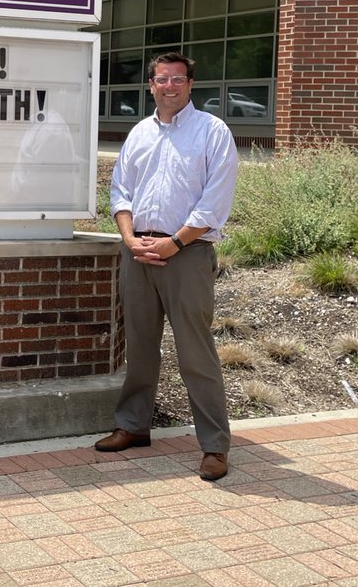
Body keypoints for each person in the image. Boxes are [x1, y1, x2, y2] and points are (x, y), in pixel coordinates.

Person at [96, 52, 239, 481]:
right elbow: (120, 189)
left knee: (195, 351)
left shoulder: (213, 132)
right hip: (137, 250)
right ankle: (133, 426)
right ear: (151, 85)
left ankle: (214, 446)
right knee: (139, 346)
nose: (170, 86)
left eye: (178, 79)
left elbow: (215, 202)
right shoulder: (140, 133)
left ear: (191, 85)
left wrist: (175, 243)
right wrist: (128, 238)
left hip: (187, 253)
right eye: (162, 79)